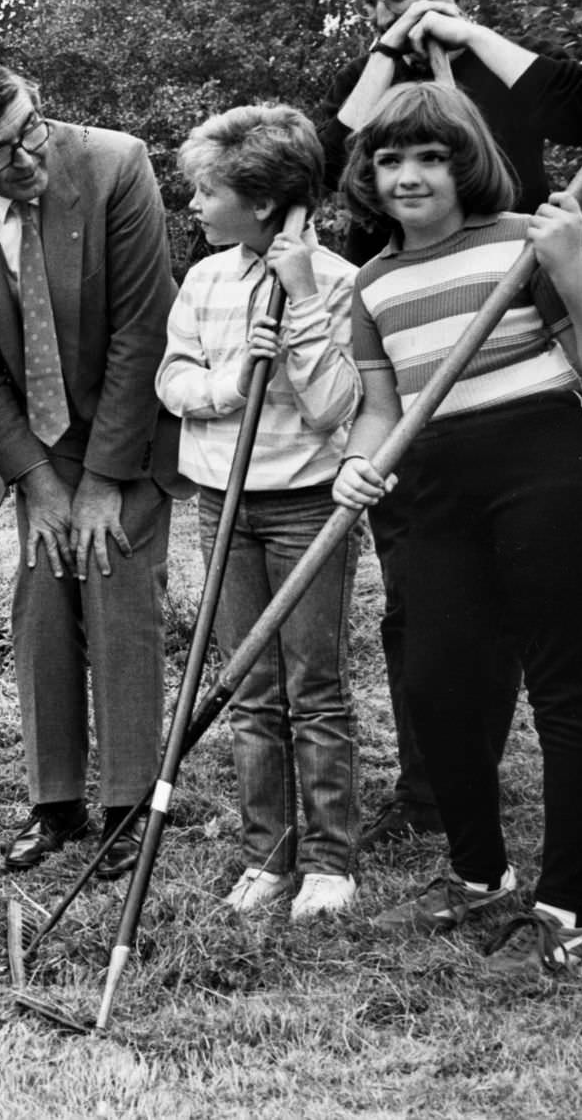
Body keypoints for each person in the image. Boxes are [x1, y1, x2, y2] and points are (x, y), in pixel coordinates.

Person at [314, 0, 582, 848]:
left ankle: (579, 799)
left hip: (516, 332)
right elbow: (326, 163)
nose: (387, 14)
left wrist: (467, 36)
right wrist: (381, 52)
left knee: (551, 619)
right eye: (370, 1)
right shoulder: (374, 88)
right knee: (428, 618)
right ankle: (435, 800)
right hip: (404, 359)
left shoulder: (496, 67)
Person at [333, 82, 582, 974]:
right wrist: (362, 461)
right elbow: (379, 407)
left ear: (461, 159)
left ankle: (566, 900)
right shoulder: (373, 284)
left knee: (562, 684)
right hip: (432, 480)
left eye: (429, 155)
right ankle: (476, 870)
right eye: (389, 158)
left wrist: (570, 263)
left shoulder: (523, 241)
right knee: (434, 682)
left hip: (546, 459)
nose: (409, 174)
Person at [0, 58, 183, 877]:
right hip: (35, 441)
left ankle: (128, 806)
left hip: (121, 433)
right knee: (39, 607)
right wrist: (36, 477)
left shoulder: (115, 163)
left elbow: (144, 327)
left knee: (117, 594)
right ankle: (53, 803)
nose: (27, 153)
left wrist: (101, 480)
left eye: (31, 126)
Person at [155, 104, 363, 919]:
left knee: (315, 687)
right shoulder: (203, 279)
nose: (195, 206)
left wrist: (303, 303)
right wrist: (231, 384)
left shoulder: (340, 282)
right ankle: (266, 855)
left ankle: (329, 862)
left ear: (266, 203)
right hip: (222, 502)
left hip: (307, 506)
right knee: (248, 685)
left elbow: (329, 408)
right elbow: (173, 381)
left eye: (208, 191)